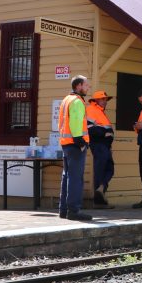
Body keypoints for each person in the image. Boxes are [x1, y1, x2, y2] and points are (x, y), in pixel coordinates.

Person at [58, 75, 92, 221]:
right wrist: (81, 142)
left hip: (66, 144)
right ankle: (74, 211)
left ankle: (63, 210)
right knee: (75, 178)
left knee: (67, 177)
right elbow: (76, 123)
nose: (88, 87)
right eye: (86, 85)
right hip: (75, 144)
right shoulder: (77, 102)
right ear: (78, 86)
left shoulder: (66, 100)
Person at [86, 90, 115, 207]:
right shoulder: (91, 110)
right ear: (96, 100)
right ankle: (99, 199)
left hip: (105, 146)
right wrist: (104, 133)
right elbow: (89, 128)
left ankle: (101, 190)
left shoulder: (100, 112)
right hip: (98, 145)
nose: (105, 101)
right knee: (102, 169)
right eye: (103, 99)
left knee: (108, 169)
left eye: (106, 99)